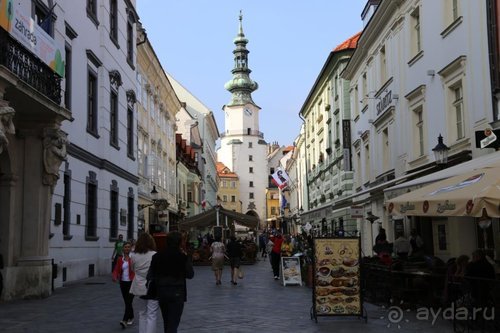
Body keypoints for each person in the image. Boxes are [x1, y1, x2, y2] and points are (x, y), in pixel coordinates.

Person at [148, 231, 194, 333]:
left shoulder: (157, 256)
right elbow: (190, 274)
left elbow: (150, 275)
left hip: (161, 291)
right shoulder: (182, 256)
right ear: (179, 242)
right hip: (177, 292)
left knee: (167, 320)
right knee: (173, 322)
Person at [130, 233, 158, 333]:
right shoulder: (154, 254)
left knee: (142, 313)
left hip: (139, 285)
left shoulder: (133, 255)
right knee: (152, 313)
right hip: (152, 285)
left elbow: (132, 269)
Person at [112, 241, 135, 328]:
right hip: (123, 283)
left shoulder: (133, 259)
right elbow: (116, 270)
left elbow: (136, 269)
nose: (127, 248)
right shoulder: (120, 259)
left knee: (129, 301)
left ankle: (125, 320)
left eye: (129, 247)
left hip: (132, 282)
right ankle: (131, 316)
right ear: (123, 248)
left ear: (131, 248)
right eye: (125, 247)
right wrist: (114, 276)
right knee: (127, 302)